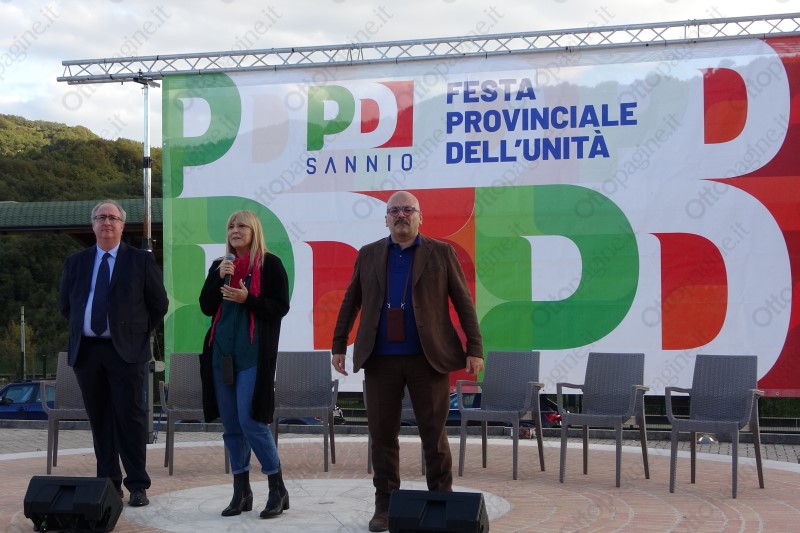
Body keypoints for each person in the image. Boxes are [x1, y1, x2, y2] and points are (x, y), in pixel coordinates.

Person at [331, 190, 484, 532]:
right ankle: (385, 505)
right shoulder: (368, 254)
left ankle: (442, 500)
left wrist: (474, 347)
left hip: (427, 360)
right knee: (382, 435)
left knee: (433, 433)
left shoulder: (441, 252)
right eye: (394, 210)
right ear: (386, 218)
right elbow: (351, 302)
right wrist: (339, 344)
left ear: (420, 217)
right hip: (380, 360)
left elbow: (463, 301)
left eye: (408, 210)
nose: (401, 215)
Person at [59, 199, 169, 507]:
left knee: (130, 419)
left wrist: (134, 333)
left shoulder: (140, 260)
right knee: (100, 420)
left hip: (126, 353)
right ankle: (108, 484)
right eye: (101, 217)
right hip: (88, 353)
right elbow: (66, 305)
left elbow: (159, 304)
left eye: (113, 217)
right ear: (92, 224)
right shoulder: (76, 262)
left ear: (122, 225)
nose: (107, 222)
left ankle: (138, 485)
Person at [198, 210, 291, 519]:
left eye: (241, 226)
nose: (234, 230)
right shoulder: (220, 265)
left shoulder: (270, 264)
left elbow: (279, 307)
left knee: (251, 421)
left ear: (254, 231)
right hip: (221, 355)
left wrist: (246, 299)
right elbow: (206, 306)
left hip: (253, 355)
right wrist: (217, 276)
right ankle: (242, 491)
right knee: (231, 425)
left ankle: (277, 487)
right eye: (230, 226)